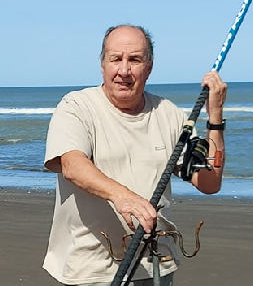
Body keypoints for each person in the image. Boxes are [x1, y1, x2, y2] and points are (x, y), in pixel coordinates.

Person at [42, 24, 227, 285]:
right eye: (116, 59)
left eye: (135, 60)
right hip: (89, 271)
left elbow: (209, 182)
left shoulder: (169, 114)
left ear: (149, 67)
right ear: (103, 64)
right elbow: (72, 165)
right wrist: (123, 197)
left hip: (156, 266)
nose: (124, 70)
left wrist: (215, 118)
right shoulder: (76, 107)